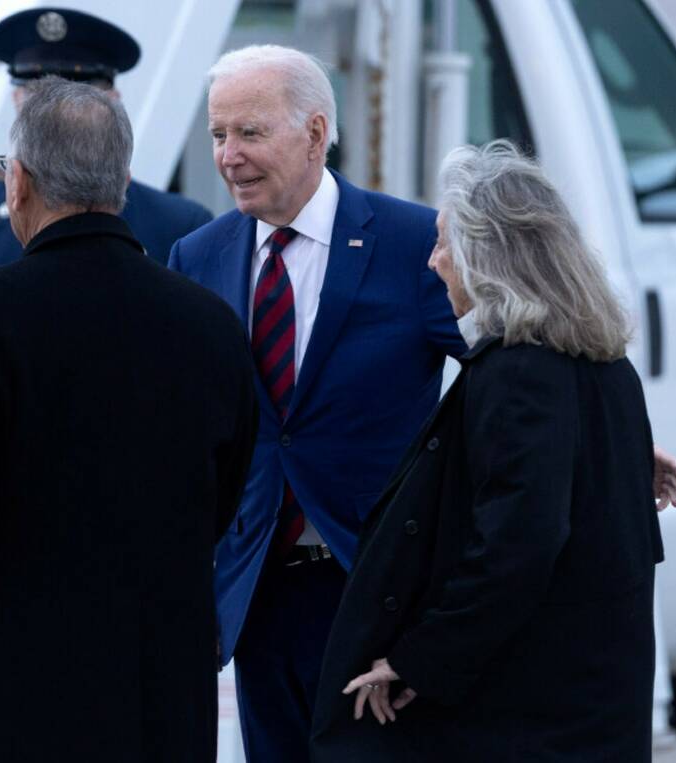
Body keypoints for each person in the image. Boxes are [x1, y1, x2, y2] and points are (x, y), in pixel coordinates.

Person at [0, 77, 258, 762]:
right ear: (121, 184)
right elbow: (226, 490)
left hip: (17, 685)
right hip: (162, 688)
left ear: (18, 182)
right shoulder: (211, 323)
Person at [312, 141, 665, 762]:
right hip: (589, 706)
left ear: (489, 257)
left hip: (532, 715)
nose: (433, 261)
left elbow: (516, 545)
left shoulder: (520, 372)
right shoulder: (604, 364)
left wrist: (418, 660)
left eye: (446, 242)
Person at [168, 45, 466, 761]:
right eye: (217, 135)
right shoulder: (197, 257)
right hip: (257, 590)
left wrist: (611, 438)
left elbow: (508, 367)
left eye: (250, 132)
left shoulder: (413, 242)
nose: (229, 155)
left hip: (375, 583)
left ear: (314, 131)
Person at [0, 7, 213, 399]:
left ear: (113, 102)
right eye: (39, 93)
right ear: (15, 99)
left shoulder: (178, 224)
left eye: (77, 91)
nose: (56, 109)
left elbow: (197, 370)